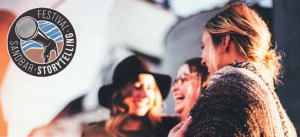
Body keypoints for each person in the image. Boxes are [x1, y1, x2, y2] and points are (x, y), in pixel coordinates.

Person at [169, 2, 297, 137]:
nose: (202, 60)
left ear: (224, 41)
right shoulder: (282, 118)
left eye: (204, 46)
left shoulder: (227, 91)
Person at [82, 55, 180, 137]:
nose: (145, 95)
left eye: (150, 87)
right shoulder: (95, 133)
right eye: (138, 86)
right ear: (120, 93)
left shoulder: (171, 127)